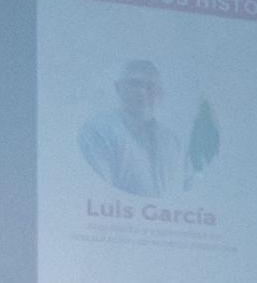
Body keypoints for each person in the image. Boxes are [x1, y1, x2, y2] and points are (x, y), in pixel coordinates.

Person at [78, 60, 186, 196]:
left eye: (150, 86)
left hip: (165, 215)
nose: (142, 92)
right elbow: (99, 191)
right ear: (118, 88)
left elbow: (177, 191)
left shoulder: (172, 141)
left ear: (159, 94)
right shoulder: (98, 131)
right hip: (114, 214)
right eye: (135, 84)